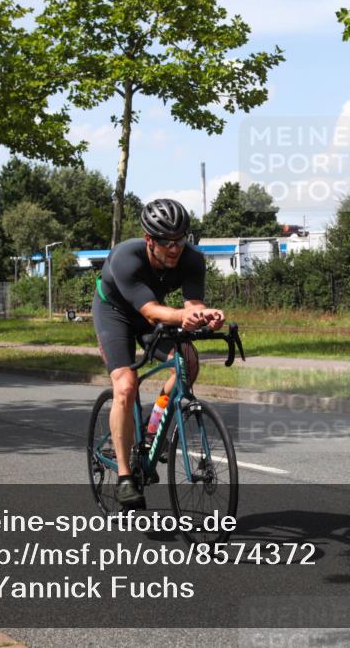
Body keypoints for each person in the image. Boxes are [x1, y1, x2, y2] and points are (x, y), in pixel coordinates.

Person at [92, 198, 225, 509]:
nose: (175, 248)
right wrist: (181, 317)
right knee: (126, 385)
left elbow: (192, 304)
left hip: (156, 314)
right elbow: (150, 310)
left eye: (180, 240)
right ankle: (126, 477)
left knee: (187, 363)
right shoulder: (127, 256)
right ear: (149, 239)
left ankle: (152, 432)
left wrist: (206, 316)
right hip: (116, 314)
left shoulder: (192, 259)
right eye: (166, 242)